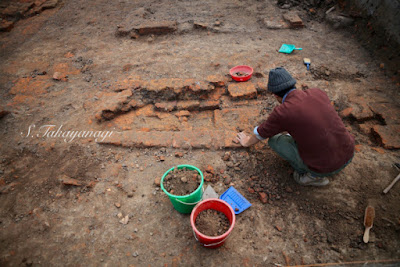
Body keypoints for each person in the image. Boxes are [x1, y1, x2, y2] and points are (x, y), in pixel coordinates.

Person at [236, 67, 355, 186]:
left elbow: (261, 134)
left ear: (275, 95)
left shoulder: (283, 112)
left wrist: (246, 141)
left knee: (275, 141)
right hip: (348, 153)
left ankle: (314, 177)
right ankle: (324, 167)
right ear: (293, 84)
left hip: (325, 167)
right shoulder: (318, 93)